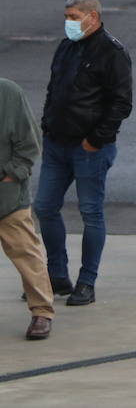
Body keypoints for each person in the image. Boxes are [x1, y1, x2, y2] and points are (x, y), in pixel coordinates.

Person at [33, 0, 132, 308]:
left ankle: (87, 282)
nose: (69, 22)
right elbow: (54, 90)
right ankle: (57, 275)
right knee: (45, 207)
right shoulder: (66, 47)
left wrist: (96, 139)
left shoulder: (112, 53)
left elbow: (121, 103)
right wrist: (47, 125)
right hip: (57, 144)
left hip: (89, 148)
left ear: (93, 17)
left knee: (91, 213)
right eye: (67, 16)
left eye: (74, 17)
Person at [1, 78, 54, 340]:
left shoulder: (9, 93)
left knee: (26, 254)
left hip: (7, 197)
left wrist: (11, 175)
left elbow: (29, 143)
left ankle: (42, 311)